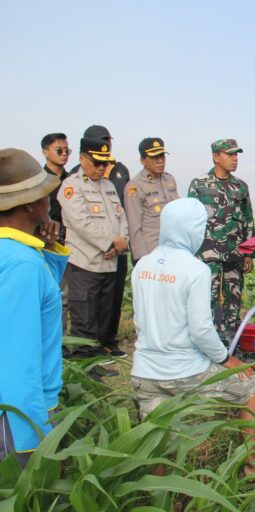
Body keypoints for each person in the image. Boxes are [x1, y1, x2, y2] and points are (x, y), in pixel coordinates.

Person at [130, 198, 255, 474]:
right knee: (251, 386)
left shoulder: (142, 265)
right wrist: (227, 360)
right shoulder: (195, 269)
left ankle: (162, 496)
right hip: (184, 373)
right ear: (191, 230)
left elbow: (139, 320)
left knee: (158, 440)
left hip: (144, 374)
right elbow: (201, 330)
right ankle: (253, 463)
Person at [0, 148, 70, 466]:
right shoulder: (22, 264)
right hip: (23, 415)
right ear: (30, 203)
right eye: (45, 195)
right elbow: (17, 358)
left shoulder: (16, 253)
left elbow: (42, 301)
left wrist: (50, 249)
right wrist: (34, 439)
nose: (49, 202)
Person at [58, 136, 129, 360]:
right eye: (97, 163)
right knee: (84, 316)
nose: (101, 168)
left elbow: (122, 217)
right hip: (84, 263)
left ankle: (95, 360)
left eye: (105, 163)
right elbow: (81, 223)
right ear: (82, 158)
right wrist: (110, 243)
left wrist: (122, 241)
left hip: (109, 263)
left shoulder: (108, 186)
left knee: (101, 314)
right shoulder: (71, 186)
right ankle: (82, 359)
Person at [188, 139, 255, 344]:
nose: (234, 159)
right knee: (205, 301)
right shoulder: (199, 184)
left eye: (236, 155)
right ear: (216, 157)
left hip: (235, 254)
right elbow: (189, 221)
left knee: (233, 302)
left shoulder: (240, 187)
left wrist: (249, 253)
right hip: (207, 255)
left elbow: (248, 220)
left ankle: (230, 344)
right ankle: (202, 343)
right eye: (229, 154)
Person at [124, 137, 180, 262]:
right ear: (143, 160)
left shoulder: (169, 180)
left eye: (162, 156)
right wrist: (141, 259)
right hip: (150, 253)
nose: (160, 161)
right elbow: (134, 226)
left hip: (172, 251)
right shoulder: (135, 186)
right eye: (155, 157)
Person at [41, 133, 71, 332]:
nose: (64, 155)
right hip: (45, 246)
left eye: (67, 151)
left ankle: (63, 343)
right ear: (45, 152)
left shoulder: (73, 180)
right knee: (48, 296)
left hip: (69, 246)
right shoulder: (39, 182)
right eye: (59, 150)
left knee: (66, 297)